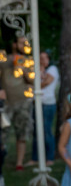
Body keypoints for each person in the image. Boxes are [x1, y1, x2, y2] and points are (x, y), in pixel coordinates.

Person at [0, 36, 34, 169]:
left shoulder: (28, 61)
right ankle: (2, 158)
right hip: (6, 103)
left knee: (22, 133)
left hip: (23, 102)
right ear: (14, 44)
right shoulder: (3, 59)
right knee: (2, 133)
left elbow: (33, 81)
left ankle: (19, 163)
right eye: (21, 42)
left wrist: (25, 71)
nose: (24, 44)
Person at [30, 51, 60, 165]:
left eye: (43, 58)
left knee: (46, 131)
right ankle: (35, 158)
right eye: (39, 58)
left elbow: (45, 82)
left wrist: (40, 75)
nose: (41, 60)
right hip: (36, 103)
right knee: (36, 131)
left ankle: (49, 158)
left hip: (47, 104)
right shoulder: (36, 70)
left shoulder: (52, 69)